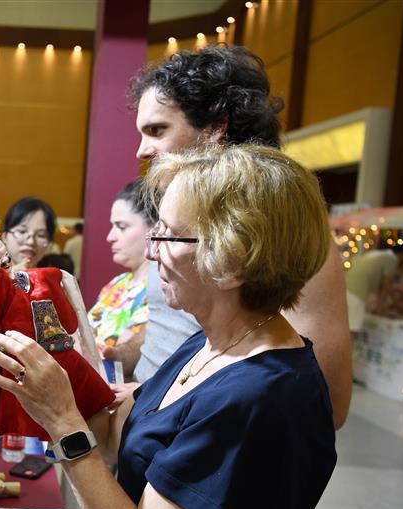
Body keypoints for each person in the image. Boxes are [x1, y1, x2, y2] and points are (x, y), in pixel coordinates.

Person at [0, 144, 337, 509]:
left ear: (231, 260)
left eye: (167, 237)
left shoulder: (261, 399)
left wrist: (62, 418)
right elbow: (115, 437)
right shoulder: (207, 343)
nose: (151, 252)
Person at [111, 45, 351, 429]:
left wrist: (170, 403)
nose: (142, 149)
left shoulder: (277, 225)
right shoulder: (182, 215)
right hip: (145, 422)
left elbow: (321, 397)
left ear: (215, 125)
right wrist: (124, 358)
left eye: (158, 130)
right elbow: (175, 329)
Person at [87, 180, 154, 378]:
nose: (110, 237)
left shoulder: (163, 287)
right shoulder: (116, 284)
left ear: (154, 229)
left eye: (122, 227)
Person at [1, 196, 56, 270]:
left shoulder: (55, 280)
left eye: (41, 235)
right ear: (5, 236)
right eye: (22, 231)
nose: (31, 242)